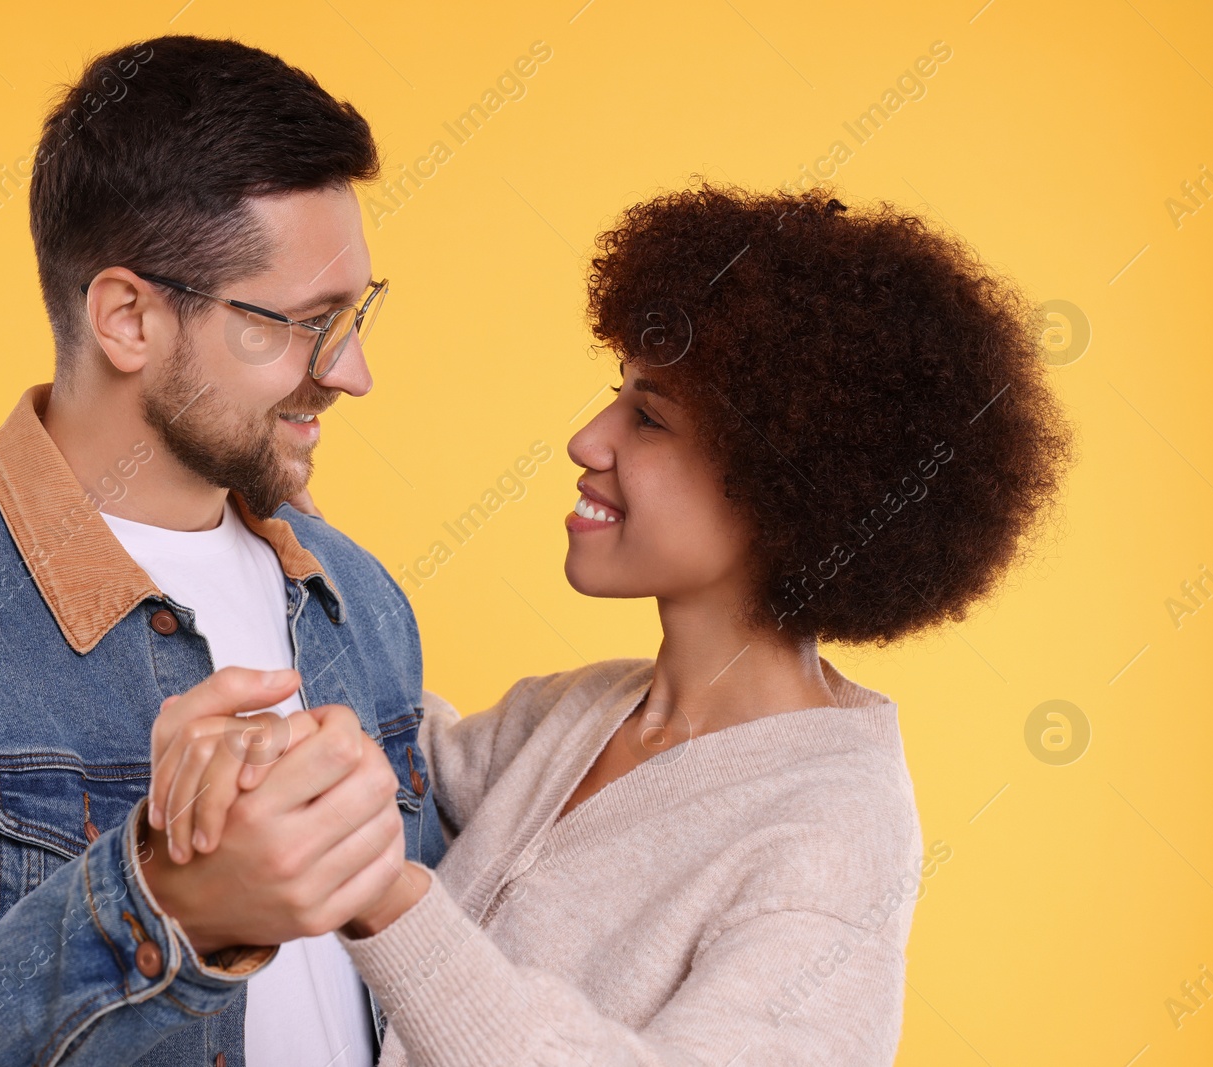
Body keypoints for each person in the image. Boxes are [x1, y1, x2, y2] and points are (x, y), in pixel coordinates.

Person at [154, 184, 1076, 1064]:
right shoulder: (589, 709)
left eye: (650, 418)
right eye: (617, 394)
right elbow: (399, 744)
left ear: (785, 481)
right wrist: (296, 542)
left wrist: (387, 902)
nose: (588, 441)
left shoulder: (833, 830)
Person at [0, 35, 439, 1067]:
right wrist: (166, 903)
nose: (352, 374)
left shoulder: (356, 596)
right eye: (303, 323)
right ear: (127, 317)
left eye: (355, 315)